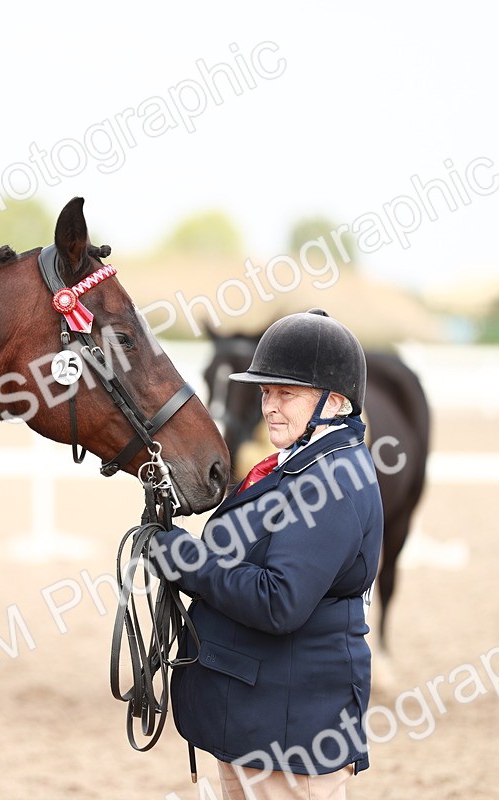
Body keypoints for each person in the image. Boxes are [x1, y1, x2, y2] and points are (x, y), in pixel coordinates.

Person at [150, 309, 384, 800]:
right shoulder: (295, 465)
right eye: (266, 393)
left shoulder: (333, 482)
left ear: (335, 401)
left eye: (287, 394)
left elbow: (280, 601)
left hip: (288, 736)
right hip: (259, 722)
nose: (270, 407)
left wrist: (186, 562)